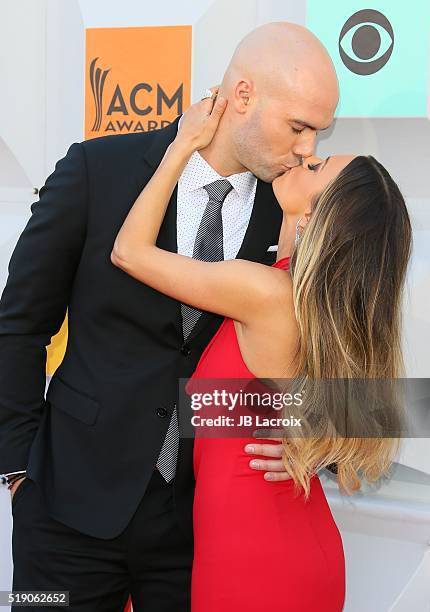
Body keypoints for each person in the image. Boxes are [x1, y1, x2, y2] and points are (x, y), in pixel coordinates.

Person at [0, 22, 339, 612]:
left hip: (198, 531)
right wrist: (16, 470)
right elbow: (19, 324)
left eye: (319, 134)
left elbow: (329, 356)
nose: (308, 149)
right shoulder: (96, 169)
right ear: (242, 96)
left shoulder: (291, 215)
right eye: (298, 127)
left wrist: (314, 433)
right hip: (62, 513)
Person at [110, 79, 412, 612]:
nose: (305, 155)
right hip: (291, 543)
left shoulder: (264, 291)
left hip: (254, 559)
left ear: (319, 213)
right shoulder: (316, 304)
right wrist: (307, 424)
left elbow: (130, 252)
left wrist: (181, 145)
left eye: (316, 169)